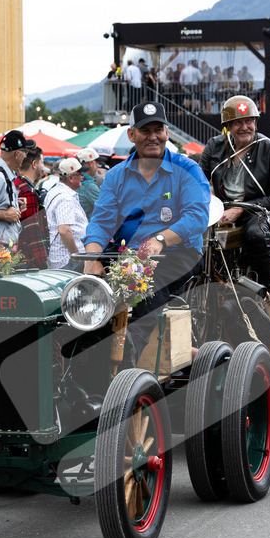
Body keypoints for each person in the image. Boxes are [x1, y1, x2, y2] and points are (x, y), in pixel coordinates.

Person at [84, 101, 210, 362]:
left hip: (178, 252)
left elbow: (197, 216)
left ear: (167, 132)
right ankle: (79, 360)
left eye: (158, 129)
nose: (153, 136)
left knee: (146, 289)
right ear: (132, 134)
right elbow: (100, 223)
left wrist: (161, 239)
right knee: (81, 289)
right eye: (145, 130)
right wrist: (92, 259)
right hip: (127, 253)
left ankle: (126, 364)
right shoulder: (116, 175)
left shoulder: (188, 169)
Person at [199, 95, 270, 289]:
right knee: (193, 234)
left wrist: (240, 209)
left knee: (256, 235)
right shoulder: (214, 146)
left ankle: (266, 290)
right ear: (228, 126)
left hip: (257, 212)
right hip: (221, 210)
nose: (244, 127)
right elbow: (197, 182)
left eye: (249, 121)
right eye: (238, 122)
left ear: (255, 122)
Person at [44, 158, 88, 269]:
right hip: (67, 259)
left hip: (62, 257)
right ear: (70, 177)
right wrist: (76, 255)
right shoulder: (65, 197)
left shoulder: (55, 191)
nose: (82, 177)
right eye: (80, 174)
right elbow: (64, 230)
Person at [15, 147, 49, 269]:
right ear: (34, 164)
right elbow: (32, 229)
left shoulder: (16, 184)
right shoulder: (27, 190)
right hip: (27, 259)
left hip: (18, 255)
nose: (42, 167)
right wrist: (43, 262)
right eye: (41, 163)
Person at [75, 147, 100, 217]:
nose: (98, 165)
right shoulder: (89, 185)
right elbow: (105, 207)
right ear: (91, 163)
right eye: (97, 162)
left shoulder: (74, 179)